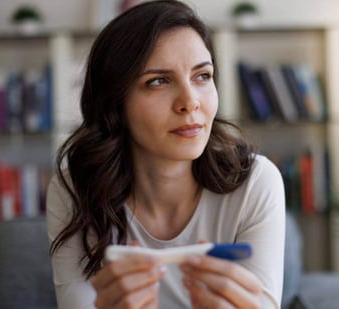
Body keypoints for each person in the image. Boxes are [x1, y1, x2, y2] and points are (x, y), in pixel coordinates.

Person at [46, 1, 286, 308]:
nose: (190, 102)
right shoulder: (75, 191)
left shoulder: (255, 183)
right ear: (115, 104)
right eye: (157, 81)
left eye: (202, 76)